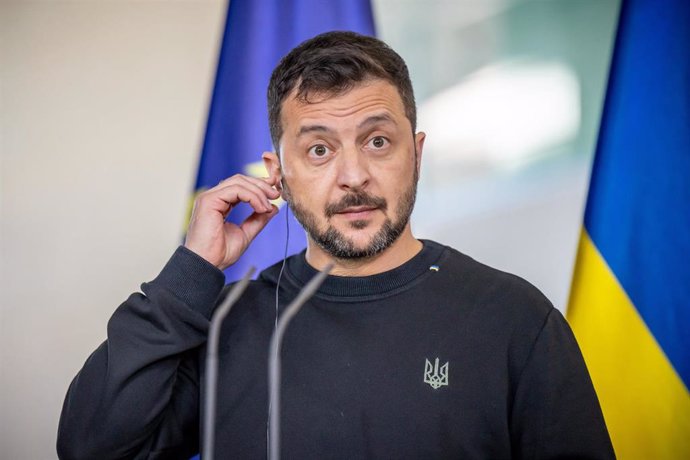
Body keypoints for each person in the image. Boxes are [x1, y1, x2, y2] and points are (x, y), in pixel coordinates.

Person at [57, 31, 614, 459]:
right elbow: (94, 448)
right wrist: (191, 272)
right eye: (319, 150)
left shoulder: (515, 320)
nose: (354, 176)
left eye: (377, 141)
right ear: (277, 173)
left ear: (416, 154)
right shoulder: (227, 324)